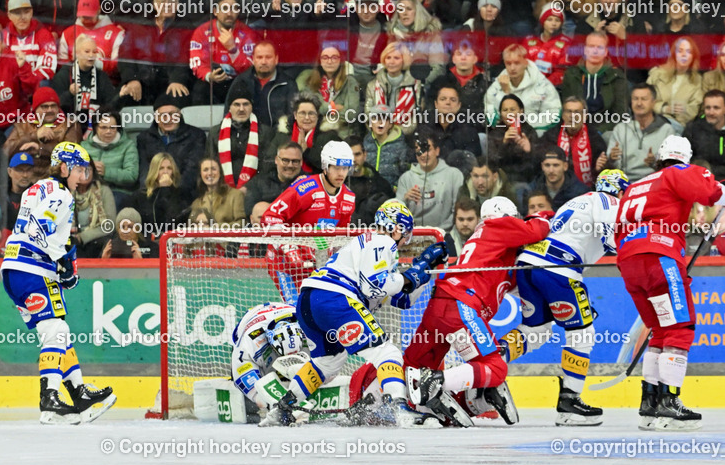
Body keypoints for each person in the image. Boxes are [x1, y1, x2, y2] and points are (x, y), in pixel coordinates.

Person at [269, 201, 448, 427]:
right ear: (396, 228)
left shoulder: (367, 249)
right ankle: (400, 409)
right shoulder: (382, 241)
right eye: (406, 235)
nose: (404, 242)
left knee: (327, 362)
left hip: (309, 301)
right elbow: (373, 286)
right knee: (387, 353)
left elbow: (402, 299)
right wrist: (409, 277)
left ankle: (283, 408)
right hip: (335, 298)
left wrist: (424, 271)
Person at [614, 136, 725, 431]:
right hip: (660, 256)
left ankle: (650, 403)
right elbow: (711, 193)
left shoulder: (635, 186)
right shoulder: (678, 172)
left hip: (629, 261)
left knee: (660, 328)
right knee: (680, 327)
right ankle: (669, 402)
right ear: (685, 158)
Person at [405, 197, 551, 427]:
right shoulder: (498, 225)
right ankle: (435, 381)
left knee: (412, 363)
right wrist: (542, 216)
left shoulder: (493, 246)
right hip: (461, 307)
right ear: (509, 216)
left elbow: (513, 283)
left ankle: (382, 398)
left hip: (440, 306)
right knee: (495, 368)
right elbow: (537, 230)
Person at [0, 141, 116, 424]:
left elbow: (39, 227)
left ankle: (78, 393)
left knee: (57, 329)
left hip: (16, 267)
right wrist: (63, 260)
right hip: (32, 268)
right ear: (63, 168)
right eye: (78, 169)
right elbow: (43, 226)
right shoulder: (61, 194)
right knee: (55, 329)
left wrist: (63, 261)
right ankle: (49, 398)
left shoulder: (38, 188)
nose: (83, 176)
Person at [509, 170, 629, 424]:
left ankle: (489, 365)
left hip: (530, 264)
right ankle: (570, 401)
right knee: (582, 334)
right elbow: (611, 237)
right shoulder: (608, 201)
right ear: (619, 190)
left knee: (536, 332)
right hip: (559, 269)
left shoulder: (578, 200)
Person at [262, 141, 356, 300]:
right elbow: (270, 217)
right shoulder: (306, 188)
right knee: (295, 308)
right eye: (336, 167)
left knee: (315, 309)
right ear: (325, 166)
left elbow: (339, 239)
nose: (341, 173)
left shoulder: (348, 198)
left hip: (315, 264)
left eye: (345, 168)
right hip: (283, 262)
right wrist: (288, 246)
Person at [228, 302, 311, 421]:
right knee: (258, 397)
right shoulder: (250, 343)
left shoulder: (308, 327)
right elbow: (241, 375)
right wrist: (268, 402)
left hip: (286, 309)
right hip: (251, 320)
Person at [188, 0, 257, 106]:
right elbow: (197, 62)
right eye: (224, 8)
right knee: (200, 90)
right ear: (215, 11)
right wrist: (209, 75)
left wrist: (233, 49)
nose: (229, 13)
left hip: (237, 81)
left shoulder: (248, 33)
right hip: (210, 81)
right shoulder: (202, 31)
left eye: (234, 8)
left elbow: (250, 67)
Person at [559, 32, 628, 135]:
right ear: (585, 50)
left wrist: (600, 130)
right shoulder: (572, 74)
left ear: (605, 52)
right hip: (575, 126)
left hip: (605, 128)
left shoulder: (617, 76)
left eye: (600, 47)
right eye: (591, 46)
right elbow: (566, 108)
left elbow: (620, 114)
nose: (595, 51)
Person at [395, 129, 464, 232]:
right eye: (419, 151)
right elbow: (396, 216)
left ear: (437, 150)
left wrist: (438, 232)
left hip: (446, 235)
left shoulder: (454, 175)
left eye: (427, 149)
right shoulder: (405, 179)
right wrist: (404, 200)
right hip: (413, 237)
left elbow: (458, 212)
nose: (423, 155)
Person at [135, 93, 206, 193]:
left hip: (185, 193)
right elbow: (144, 171)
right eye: (163, 115)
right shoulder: (143, 138)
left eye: (172, 114)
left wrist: (171, 188)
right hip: (153, 192)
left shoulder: (196, 135)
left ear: (180, 115)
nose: (168, 119)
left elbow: (192, 171)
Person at [484, 43, 561, 136]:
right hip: (505, 135)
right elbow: (491, 116)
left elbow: (554, 113)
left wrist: (529, 130)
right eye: (508, 63)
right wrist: (505, 94)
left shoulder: (542, 84)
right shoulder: (497, 86)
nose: (512, 68)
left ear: (526, 62)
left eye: (517, 63)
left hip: (536, 135)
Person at [2, 86, 84, 174]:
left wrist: (40, 149)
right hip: (25, 175)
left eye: (53, 106)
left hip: (55, 175)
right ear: (35, 109)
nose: (50, 110)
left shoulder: (70, 125)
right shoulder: (22, 125)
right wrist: (35, 136)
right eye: (44, 107)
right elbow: (6, 151)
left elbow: (71, 154)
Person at [606, 83, 677, 182]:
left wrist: (655, 163)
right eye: (635, 99)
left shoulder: (667, 130)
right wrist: (612, 160)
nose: (639, 103)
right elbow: (613, 168)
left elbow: (673, 167)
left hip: (656, 183)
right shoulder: (620, 129)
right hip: (626, 183)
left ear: (653, 103)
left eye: (644, 99)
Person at [265, 91, 342, 175]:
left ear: (317, 115)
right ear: (295, 115)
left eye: (311, 113)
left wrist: (307, 152)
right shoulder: (282, 136)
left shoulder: (329, 137)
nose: (307, 118)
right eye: (302, 113)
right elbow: (268, 163)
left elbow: (334, 167)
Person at [227, 41, 298, 131]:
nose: (264, 62)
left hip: (277, 139)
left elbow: (293, 119)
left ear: (276, 59)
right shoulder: (241, 81)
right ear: (253, 59)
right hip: (247, 138)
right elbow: (228, 114)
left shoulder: (288, 84)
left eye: (268, 57)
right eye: (259, 57)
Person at [207, 87, 269, 189]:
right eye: (236, 104)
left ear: (251, 107)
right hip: (222, 188)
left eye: (245, 104)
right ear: (229, 107)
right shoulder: (215, 133)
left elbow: (266, 169)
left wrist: (248, 188)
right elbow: (210, 164)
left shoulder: (265, 132)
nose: (241, 109)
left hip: (255, 190)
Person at [541, 96, 609, 187]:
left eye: (577, 112)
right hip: (555, 188)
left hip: (586, 190)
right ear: (563, 115)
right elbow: (539, 167)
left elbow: (603, 175)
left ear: (585, 116)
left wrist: (597, 169)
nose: (572, 116)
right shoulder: (550, 136)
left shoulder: (594, 138)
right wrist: (528, 150)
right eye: (569, 111)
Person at [58, 0, 125, 83]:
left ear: (98, 10)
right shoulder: (68, 33)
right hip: (75, 82)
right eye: (83, 15)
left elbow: (118, 66)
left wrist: (100, 64)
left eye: (89, 16)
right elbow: (62, 62)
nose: (86, 19)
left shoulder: (116, 33)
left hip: (105, 83)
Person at [296, 44, 360, 138]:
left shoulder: (350, 82)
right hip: (314, 132)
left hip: (341, 134)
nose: (329, 61)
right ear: (320, 61)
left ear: (340, 61)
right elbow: (309, 110)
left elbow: (350, 114)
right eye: (325, 58)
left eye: (334, 58)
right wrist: (332, 107)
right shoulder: (309, 81)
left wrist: (320, 111)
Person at [50, 34, 118, 121]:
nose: (91, 55)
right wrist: (70, 94)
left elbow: (110, 105)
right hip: (69, 123)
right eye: (87, 51)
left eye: (94, 52)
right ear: (77, 53)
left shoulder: (101, 76)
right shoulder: (65, 74)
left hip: (95, 124)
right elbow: (55, 106)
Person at [646, 37, 704, 132]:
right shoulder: (657, 74)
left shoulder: (697, 80)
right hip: (653, 120)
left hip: (677, 125)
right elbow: (645, 100)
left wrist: (684, 109)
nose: (684, 55)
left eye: (688, 52)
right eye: (680, 51)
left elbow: (695, 108)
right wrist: (664, 109)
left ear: (693, 56)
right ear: (674, 54)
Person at [364, 42, 422, 137]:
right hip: (378, 136)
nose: (391, 62)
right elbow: (368, 114)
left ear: (404, 60)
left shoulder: (415, 85)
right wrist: (382, 132)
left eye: (396, 58)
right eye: (388, 58)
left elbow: (416, 116)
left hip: (405, 136)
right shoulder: (372, 85)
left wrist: (396, 134)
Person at [81, 110, 138, 201]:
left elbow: (131, 176)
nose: (108, 131)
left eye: (113, 128)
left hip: (117, 191)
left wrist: (106, 172)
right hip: (88, 190)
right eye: (104, 128)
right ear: (96, 128)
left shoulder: (128, 146)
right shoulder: (84, 146)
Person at [243, 141, 303, 225]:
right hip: (263, 233)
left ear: (301, 162)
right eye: (285, 160)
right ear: (276, 160)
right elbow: (250, 211)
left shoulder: (310, 183)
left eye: (295, 161)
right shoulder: (258, 182)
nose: (290, 165)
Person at [129, 152, 188, 235]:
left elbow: (172, 221)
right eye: (161, 168)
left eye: (169, 168)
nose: (165, 172)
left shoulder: (181, 194)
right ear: (154, 170)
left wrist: (166, 190)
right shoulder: (140, 196)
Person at [3, 0, 58, 84]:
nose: (22, 17)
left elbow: (47, 69)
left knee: (44, 83)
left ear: (31, 12)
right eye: (17, 13)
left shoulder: (45, 36)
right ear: (9, 15)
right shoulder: (3, 37)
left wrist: (27, 80)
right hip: (11, 85)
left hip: (35, 84)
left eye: (26, 12)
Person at [345, 136, 394, 228]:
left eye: (357, 154)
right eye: (349, 155)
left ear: (365, 155)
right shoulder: (335, 185)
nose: (354, 159)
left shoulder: (381, 185)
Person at [362, 105, 411, 187]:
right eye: (376, 118)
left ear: (390, 124)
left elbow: (406, 172)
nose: (381, 122)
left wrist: (396, 187)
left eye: (385, 119)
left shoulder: (400, 145)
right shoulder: (366, 142)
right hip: (368, 191)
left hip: (391, 192)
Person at [525, 2, 573, 88]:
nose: (553, 24)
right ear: (543, 21)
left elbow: (562, 71)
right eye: (549, 19)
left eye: (557, 20)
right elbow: (523, 66)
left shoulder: (567, 43)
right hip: (529, 85)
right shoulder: (529, 40)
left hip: (553, 88)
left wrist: (544, 83)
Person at [189, 157, 246, 227]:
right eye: (205, 170)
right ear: (201, 175)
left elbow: (242, 223)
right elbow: (190, 227)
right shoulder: (196, 203)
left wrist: (215, 228)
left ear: (220, 173)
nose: (209, 173)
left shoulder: (235, 195)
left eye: (213, 169)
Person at [2, 151, 37, 226]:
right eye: (20, 170)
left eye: (28, 170)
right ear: (10, 171)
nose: (25, 175)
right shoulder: (1, 195)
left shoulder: (39, 196)